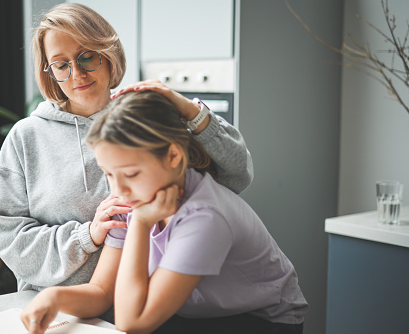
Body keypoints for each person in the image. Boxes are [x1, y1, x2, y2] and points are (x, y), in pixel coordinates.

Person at [0, 1, 253, 298]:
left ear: (108, 53)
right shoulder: (26, 137)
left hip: (146, 304)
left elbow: (236, 175)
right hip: (57, 305)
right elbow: (7, 234)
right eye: (61, 65)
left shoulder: (142, 120)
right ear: (49, 72)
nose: (77, 74)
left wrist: (187, 107)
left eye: (87, 57)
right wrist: (85, 236)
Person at [20, 90, 308, 334]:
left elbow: (131, 322)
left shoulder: (205, 217)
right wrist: (54, 297)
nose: (118, 188)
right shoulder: (131, 196)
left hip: (260, 320)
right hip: (196, 312)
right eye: (109, 174)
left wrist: (142, 223)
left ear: (173, 155)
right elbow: (104, 293)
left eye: (130, 173)